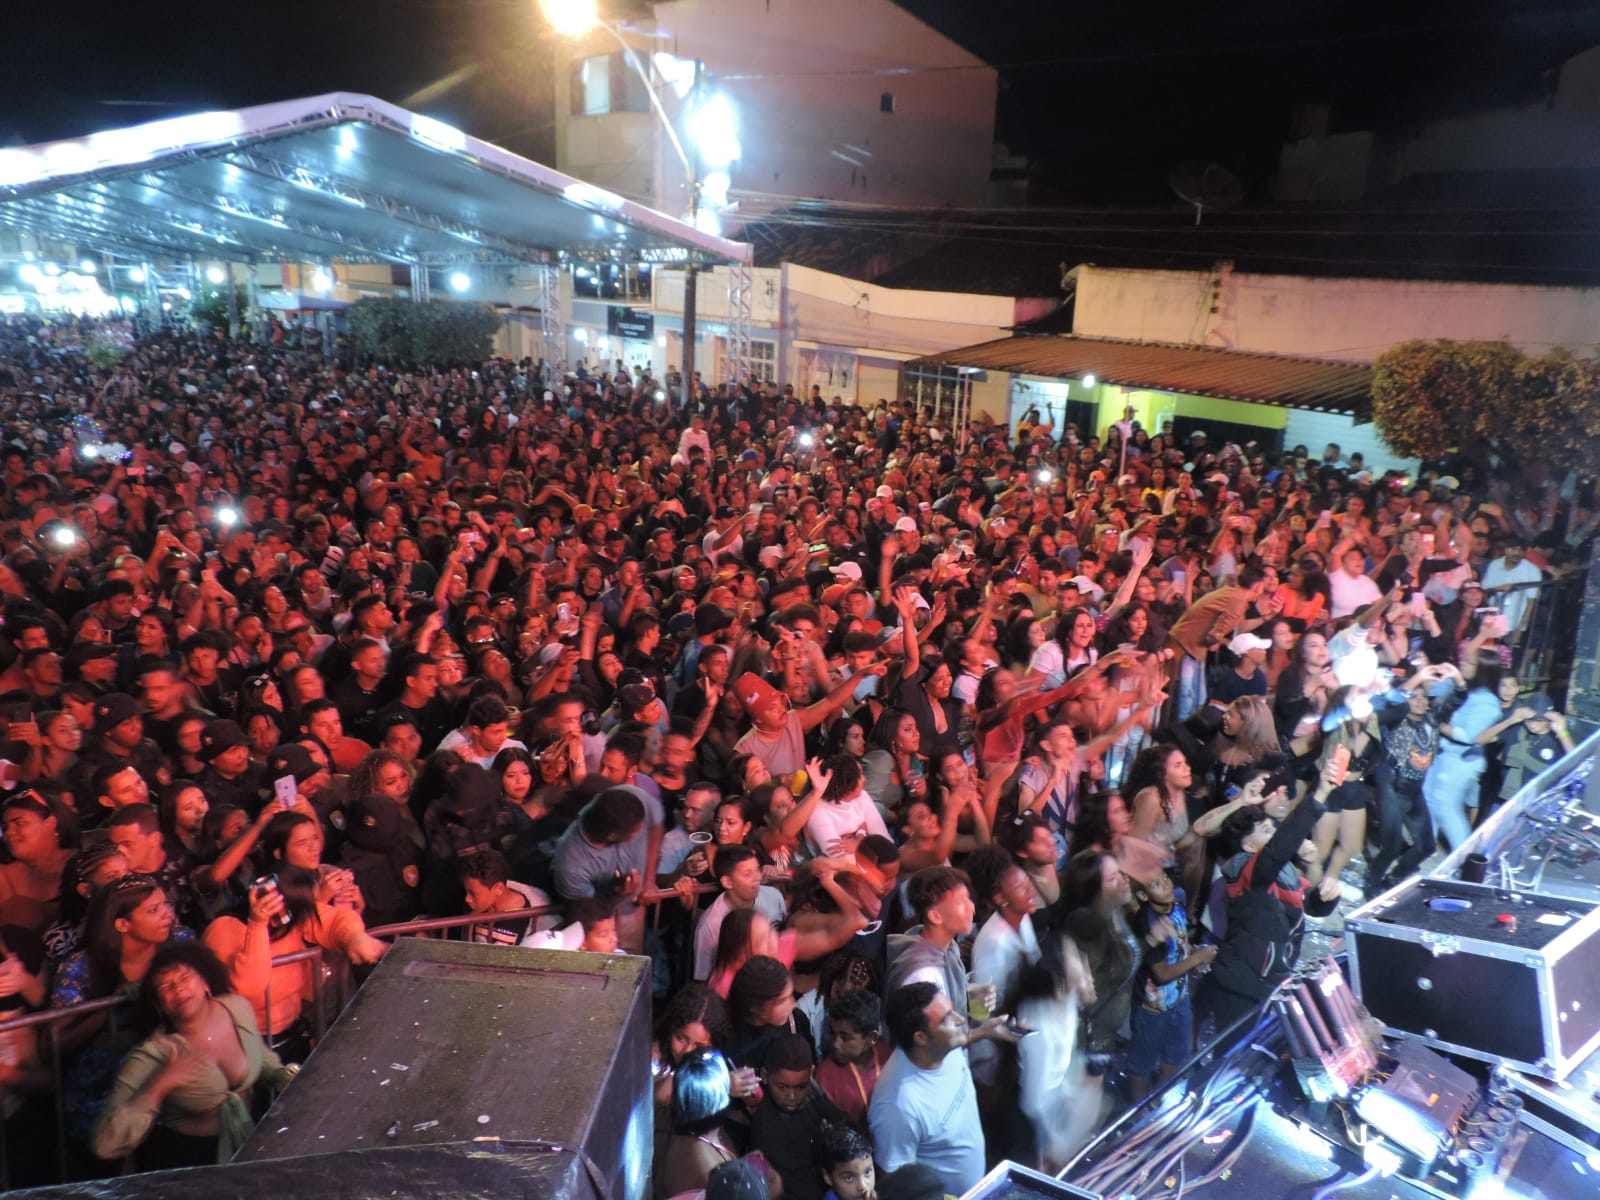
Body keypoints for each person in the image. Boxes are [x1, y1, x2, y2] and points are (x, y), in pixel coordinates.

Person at [91, 942, 298, 1168]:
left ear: (205, 982)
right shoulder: (153, 1055)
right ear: (161, 1007)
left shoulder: (236, 1009)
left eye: (184, 977)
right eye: (166, 987)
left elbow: (262, 1061)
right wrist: (159, 1085)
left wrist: (282, 1076)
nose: (178, 989)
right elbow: (105, 1144)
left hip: (250, 1141)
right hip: (186, 1163)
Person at [869, 982, 1018, 1195]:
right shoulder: (897, 1105)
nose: (959, 1019)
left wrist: (985, 1032)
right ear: (920, 1038)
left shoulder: (942, 1047)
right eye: (947, 1018)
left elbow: (958, 1038)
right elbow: (895, 1186)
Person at [748, 1032, 846, 1200]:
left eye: (800, 1087)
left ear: (811, 1074)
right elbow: (801, 1189)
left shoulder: (812, 1090)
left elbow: (841, 1123)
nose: (792, 1097)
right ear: (764, 1076)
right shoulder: (767, 1129)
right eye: (782, 1087)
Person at [814, 987, 888, 1130]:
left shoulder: (890, 1060)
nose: (835, 1044)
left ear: (872, 1038)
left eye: (845, 1038)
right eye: (833, 1033)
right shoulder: (825, 1077)